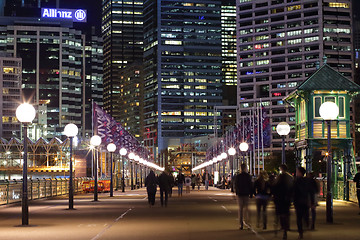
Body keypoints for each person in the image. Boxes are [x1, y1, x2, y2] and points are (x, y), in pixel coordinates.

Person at [273, 164, 293, 240]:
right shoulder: (290, 178)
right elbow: (291, 188)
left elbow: (275, 188)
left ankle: (281, 227)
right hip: (287, 199)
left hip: (279, 199)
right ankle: (286, 228)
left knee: (279, 215)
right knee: (286, 214)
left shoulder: (279, 177)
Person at [293, 167, 314, 239]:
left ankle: (300, 232)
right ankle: (306, 224)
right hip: (305, 201)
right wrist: (312, 202)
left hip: (298, 202)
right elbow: (311, 192)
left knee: (299, 218)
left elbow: (293, 192)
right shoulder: (307, 181)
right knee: (305, 215)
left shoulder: (296, 181)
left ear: (299, 172)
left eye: (297, 171)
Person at [234, 163, 253, 230]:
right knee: (247, 209)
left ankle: (241, 224)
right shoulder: (248, 176)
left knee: (240, 210)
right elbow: (250, 185)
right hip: (246, 194)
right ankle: (248, 224)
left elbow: (236, 185)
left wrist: (236, 192)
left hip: (240, 194)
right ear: (245, 168)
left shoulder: (238, 176)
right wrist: (251, 193)